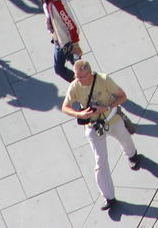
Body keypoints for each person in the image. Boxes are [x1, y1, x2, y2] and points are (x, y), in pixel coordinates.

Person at [61, 59, 141, 213]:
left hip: (112, 119)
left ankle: (132, 155)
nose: (77, 80)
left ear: (89, 74)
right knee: (100, 162)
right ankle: (109, 197)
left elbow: (122, 96)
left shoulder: (104, 80)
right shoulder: (75, 86)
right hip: (92, 126)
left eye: (81, 77)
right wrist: (79, 114)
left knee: (124, 138)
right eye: (76, 76)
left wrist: (106, 107)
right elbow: (65, 107)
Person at [28, 0, 82, 82]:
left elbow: (70, 24)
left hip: (67, 42)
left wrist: (75, 44)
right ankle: (80, 85)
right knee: (60, 69)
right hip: (58, 40)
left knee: (79, 70)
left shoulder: (57, 4)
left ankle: (87, 86)